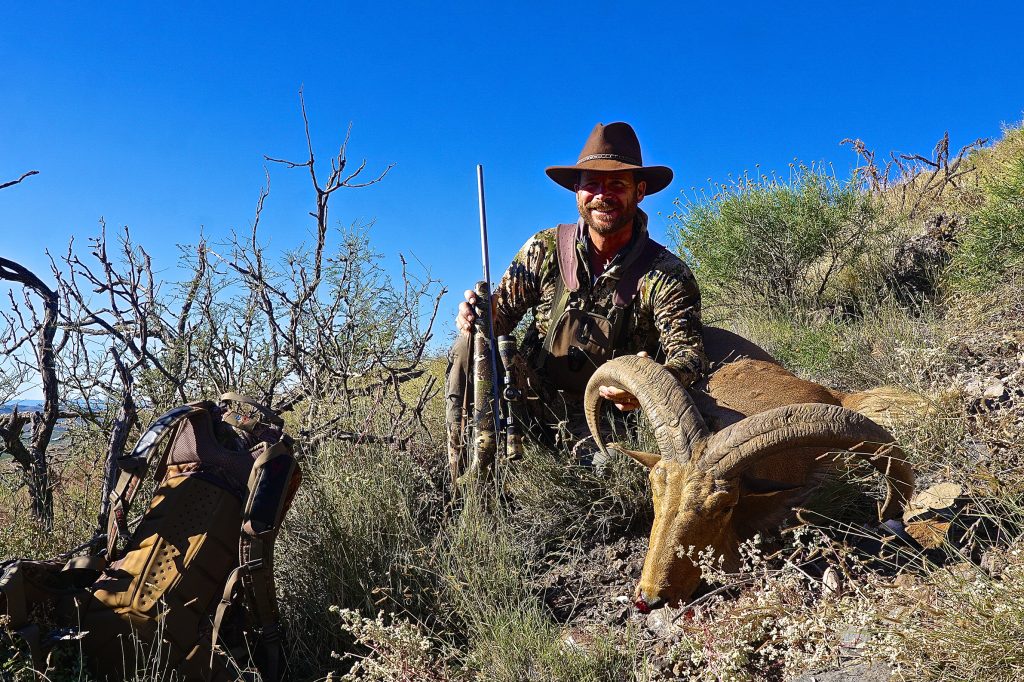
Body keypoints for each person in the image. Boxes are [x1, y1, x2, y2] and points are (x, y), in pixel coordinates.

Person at [447, 122, 706, 479]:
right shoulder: (545, 248)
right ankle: (463, 474)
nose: (603, 194)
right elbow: (500, 317)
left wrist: (654, 379)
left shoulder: (666, 273)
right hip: (530, 400)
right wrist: (478, 315)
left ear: (640, 191)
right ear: (576, 190)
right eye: (592, 184)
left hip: (610, 421)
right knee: (469, 343)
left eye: (617, 184)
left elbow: (690, 357)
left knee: (607, 475)